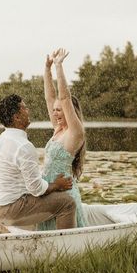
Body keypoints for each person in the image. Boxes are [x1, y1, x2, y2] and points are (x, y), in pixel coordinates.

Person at [0, 94, 76, 229]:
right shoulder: (23, 146)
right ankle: (67, 247)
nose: (28, 111)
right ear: (16, 117)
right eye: (24, 108)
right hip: (8, 211)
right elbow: (37, 189)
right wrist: (57, 185)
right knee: (67, 202)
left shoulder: (2, 138)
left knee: (43, 199)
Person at [39, 48, 87, 230]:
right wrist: (46, 68)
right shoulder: (58, 129)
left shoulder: (75, 133)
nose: (55, 112)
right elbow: (49, 98)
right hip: (50, 191)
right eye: (55, 109)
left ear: (69, 112)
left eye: (59, 110)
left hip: (65, 194)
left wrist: (59, 66)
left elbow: (64, 97)